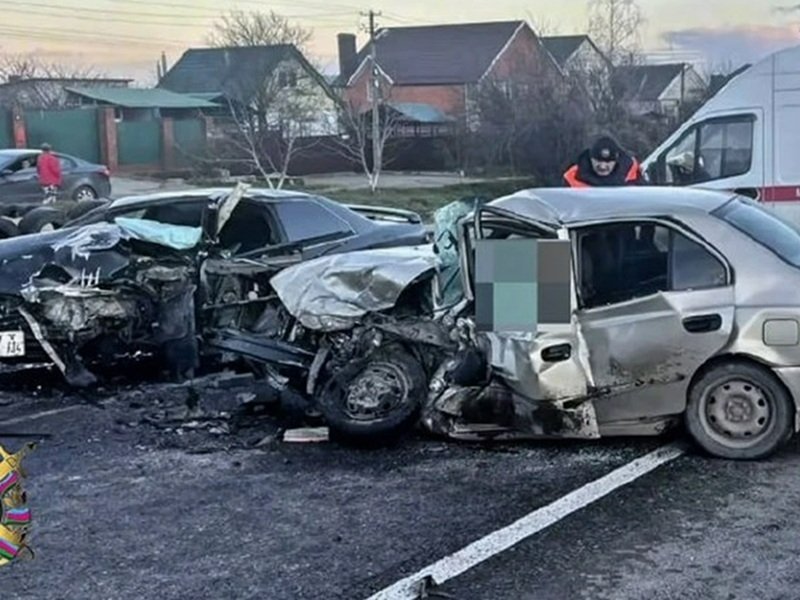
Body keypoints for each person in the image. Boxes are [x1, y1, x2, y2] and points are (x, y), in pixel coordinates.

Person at [563, 136, 642, 187]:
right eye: (598, 161)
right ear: (590, 158)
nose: (602, 166)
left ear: (616, 160)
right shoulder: (572, 177)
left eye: (608, 162)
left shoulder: (632, 174)